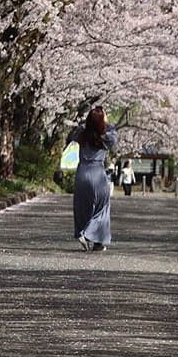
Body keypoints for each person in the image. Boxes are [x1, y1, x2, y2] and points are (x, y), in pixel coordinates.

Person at [71, 106, 118, 251]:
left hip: (82, 173)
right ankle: (93, 238)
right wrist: (103, 123)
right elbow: (113, 138)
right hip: (98, 173)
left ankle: (84, 234)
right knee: (101, 208)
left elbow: (73, 135)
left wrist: (91, 123)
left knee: (82, 207)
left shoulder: (81, 133)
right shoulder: (107, 135)